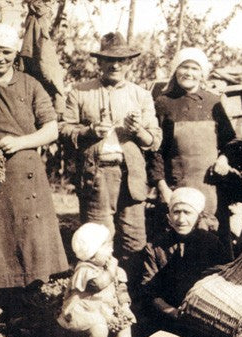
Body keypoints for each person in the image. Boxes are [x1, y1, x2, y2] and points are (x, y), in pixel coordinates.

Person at [0, 23, 68, 337]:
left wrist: (22, 142)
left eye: (6, 51)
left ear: (14, 54)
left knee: (29, 247)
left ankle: (27, 317)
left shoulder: (30, 85)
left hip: (27, 179)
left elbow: (51, 129)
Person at [59, 32, 162, 286]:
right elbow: (63, 130)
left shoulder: (141, 95)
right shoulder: (80, 92)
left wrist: (138, 130)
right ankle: (100, 301)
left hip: (131, 176)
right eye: (108, 60)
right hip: (96, 176)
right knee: (98, 241)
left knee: (134, 240)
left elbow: (155, 140)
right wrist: (90, 131)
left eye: (122, 60)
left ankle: (134, 304)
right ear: (99, 62)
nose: (115, 65)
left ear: (129, 63)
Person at [148, 47, 236, 232]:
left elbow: (230, 142)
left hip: (210, 189)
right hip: (177, 188)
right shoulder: (163, 103)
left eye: (195, 68)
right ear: (175, 71)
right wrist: (163, 188)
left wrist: (224, 158)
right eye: (184, 67)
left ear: (202, 73)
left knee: (213, 239)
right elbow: (155, 151)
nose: (189, 73)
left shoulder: (214, 102)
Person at [140, 187, 229, 337]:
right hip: (168, 317)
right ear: (169, 216)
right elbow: (150, 291)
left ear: (198, 216)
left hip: (207, 317)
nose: (181, 220)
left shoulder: (211, 243)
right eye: (176, 212)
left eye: (187, 213)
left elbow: (225, 280)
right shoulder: (154, 248)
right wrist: (173, 312)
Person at [58, 223, 135, 337]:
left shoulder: (111, 268)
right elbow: (97, 284)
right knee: (99, 329)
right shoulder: (84, 270)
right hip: (86, 310)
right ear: (91, 253)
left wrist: (125, 306)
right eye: (107, 247)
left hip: (107, 310)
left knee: (125, 325)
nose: (112, 250)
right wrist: (111, 270)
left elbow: (121, 288)